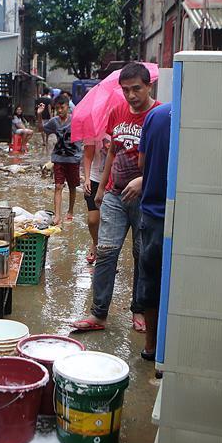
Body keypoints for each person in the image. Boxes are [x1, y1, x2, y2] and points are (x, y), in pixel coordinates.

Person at [73, 63, 162, 333]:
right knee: (106, 252)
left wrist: (144, 179)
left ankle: (139, 309)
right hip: (114, 194)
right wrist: (101, 188)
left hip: (146, 199)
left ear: (149, 86)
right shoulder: (117, 112)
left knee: (142, 255)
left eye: (137, 89)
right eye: (126, 90)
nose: (132, 95)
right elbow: (112, 151)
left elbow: (168, 158)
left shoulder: (160, 115)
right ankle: (98, 315)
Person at [135, 96, 171, 360]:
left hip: (155, 213)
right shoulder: (207, 121)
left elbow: (141, 164)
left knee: (150, 280)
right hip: (189, 214)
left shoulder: (157, 116)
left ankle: (151, 346)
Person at [42, 94, 82, 225]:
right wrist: (39, 115)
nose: (59, 110)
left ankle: (70, 211)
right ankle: (57, 216)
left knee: (72, 186)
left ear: (68, 107)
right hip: (58, 158)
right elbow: (43, 129)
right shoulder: (54, 121)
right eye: (57, 108)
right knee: (58, 186)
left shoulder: (76, 120)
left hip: (73, 159)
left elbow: (86, 132)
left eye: (62, 107)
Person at [82, 135, 110, 264]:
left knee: (110, 221)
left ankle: (107, 257)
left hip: (113, 180)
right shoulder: (93, 131)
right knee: (93, 220)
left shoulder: (119, 128)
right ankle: (96, 242)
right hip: (94, 179)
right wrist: (86, 178)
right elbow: (88, 156)